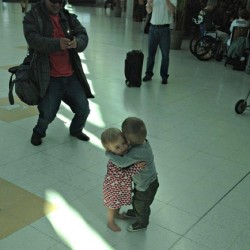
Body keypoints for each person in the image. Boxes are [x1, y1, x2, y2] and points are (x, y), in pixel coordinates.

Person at [23, 0, 94, 146]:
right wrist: (57, 44)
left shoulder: (68, 17)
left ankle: (76, 130)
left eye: (60, 2)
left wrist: (77, 42)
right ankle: (38, 132)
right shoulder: (33, 17)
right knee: (47, 114)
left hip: (71, 75)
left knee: (83, 109)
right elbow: (33, 40)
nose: (57, 5)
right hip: (49, 77)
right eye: (53, 1)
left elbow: (82, 34)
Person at [106, 117, 159, 232]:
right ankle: (136, 212)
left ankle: (142, 223)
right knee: (137, 200)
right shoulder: (142, 142)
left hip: (146, 186)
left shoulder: (137, 152)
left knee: (142, 205)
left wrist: (109, 152)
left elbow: (122, 162)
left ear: (128, 140)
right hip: (146, 182)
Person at [101, 128, 145, 232]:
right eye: (117, 147)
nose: (122, 148)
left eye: (124, 143)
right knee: (112, 206)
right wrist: (137, 167)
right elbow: (123, 175)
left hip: (121, 186)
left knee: (118, 202)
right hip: (113, 188)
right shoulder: (114, 162)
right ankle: (110, 222)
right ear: (109, 150)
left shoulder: (122, 154)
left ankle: (117, 214)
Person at [142, 0, 176, 85]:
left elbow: (172, 10)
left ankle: (164, 76)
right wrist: (149, 3)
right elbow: (149, 11)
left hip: (165, 30)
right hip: (153, 28)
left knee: (165, 56)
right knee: (151, 55)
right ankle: (148, 74)